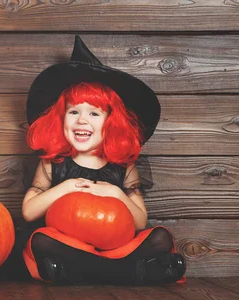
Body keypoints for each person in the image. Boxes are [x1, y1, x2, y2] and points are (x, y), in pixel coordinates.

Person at [21, 36, 186, 285]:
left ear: (112, 123)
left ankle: (88, 271)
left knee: (159, 237)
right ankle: (128, 273)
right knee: (41, 240)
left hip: (116, 246)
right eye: (73, 111)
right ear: (60, 119)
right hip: (72, 244)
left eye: (94, 113)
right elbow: (28, 212)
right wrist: (63, 188)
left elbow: (140, 221)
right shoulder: (53, 162)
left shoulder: (123, 165)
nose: (82, 121)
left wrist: (116, 194)